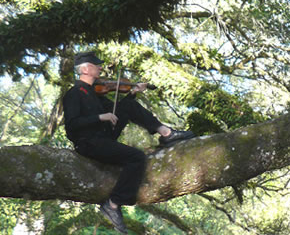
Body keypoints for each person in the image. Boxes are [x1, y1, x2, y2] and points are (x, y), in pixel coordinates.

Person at [62, 51, 195, 234]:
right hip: (88, 142)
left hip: (103, 136)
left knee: (129, 105)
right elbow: (71, 126)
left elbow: (117, 110)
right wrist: (100, 117)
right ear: (85, 69)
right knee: (137, 157)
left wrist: (132, 93)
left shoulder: (96, 94)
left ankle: (166, 133)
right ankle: (113, 204)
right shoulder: (74, 93)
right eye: (96, 65)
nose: (100, 67)